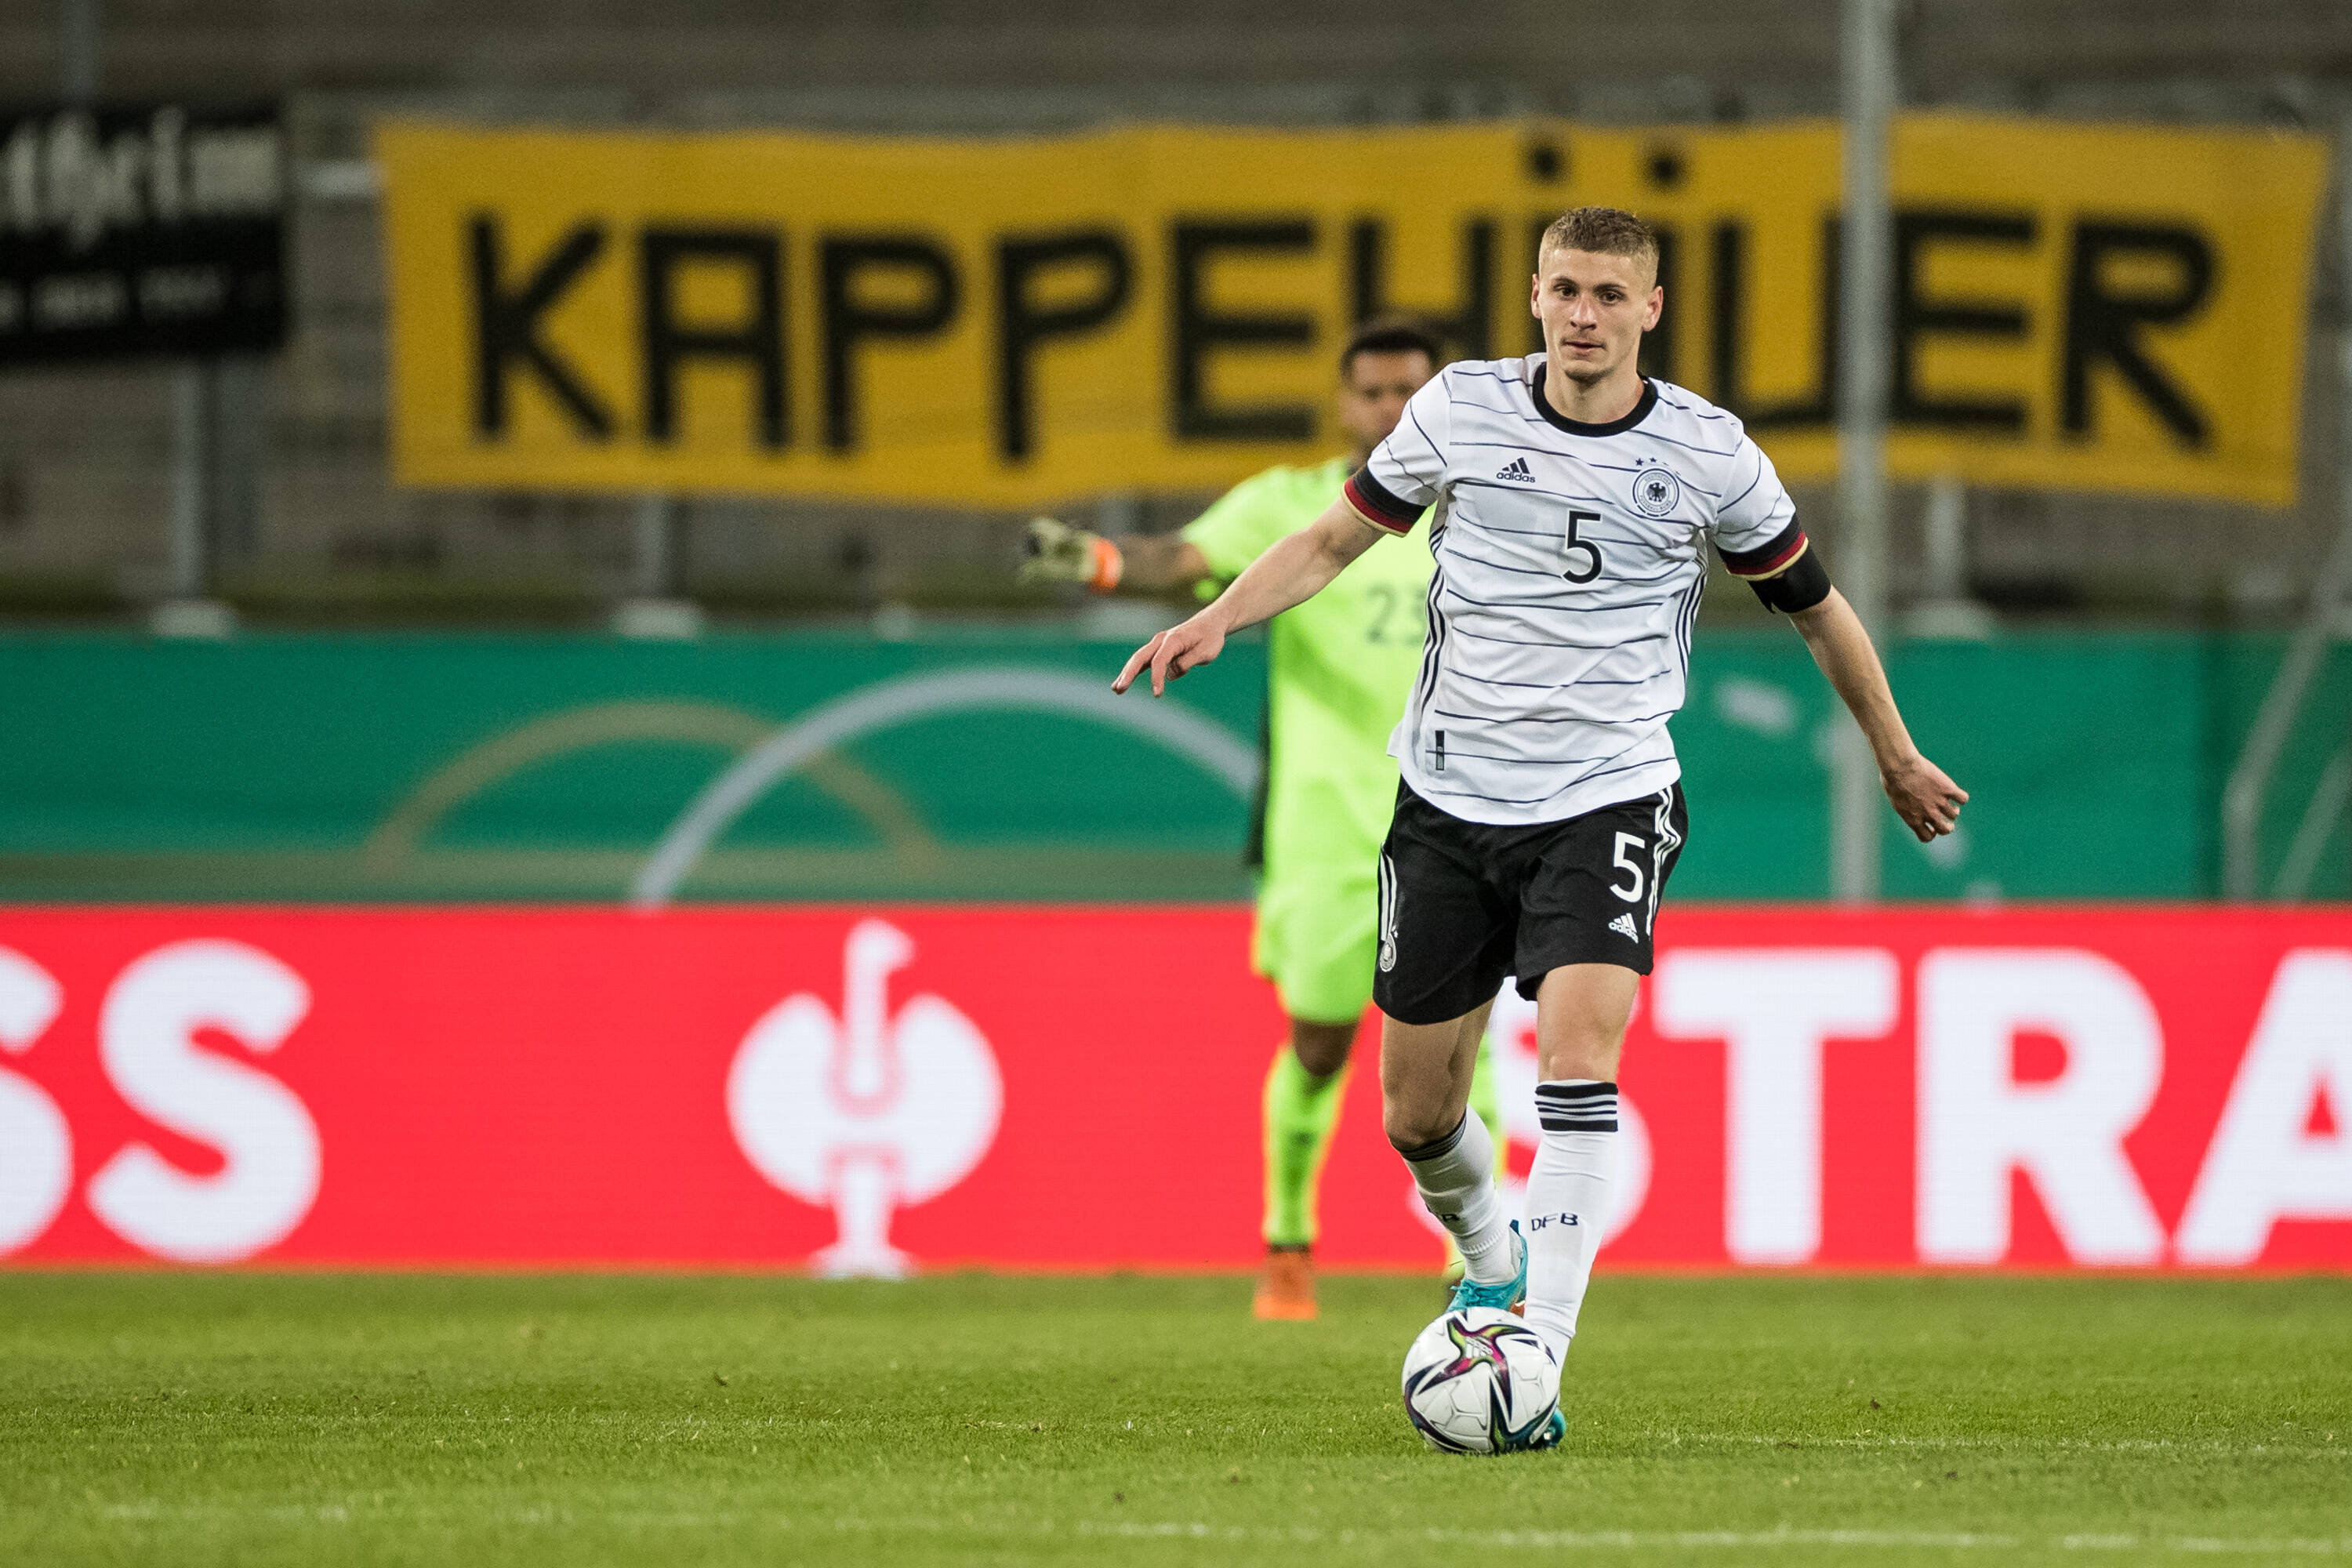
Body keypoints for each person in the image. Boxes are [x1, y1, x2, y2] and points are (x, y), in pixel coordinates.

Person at [1114, 207, 1966, 1441]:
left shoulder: (1711, 455)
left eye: (1611, 296)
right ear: (1533, 295)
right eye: (1566, 290)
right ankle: (1490, 1254)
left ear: (1651, 311)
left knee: (1578, 1064)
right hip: (1449, 801)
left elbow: (1819, 611)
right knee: (1416, 1114)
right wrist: (1220, 619)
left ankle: (1536, 1357)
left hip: (1608, 794)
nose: (1584, 315)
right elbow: (1331, 538)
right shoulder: (1460, 410)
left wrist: (1894, 753)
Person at [1025, 318, 1503, 1322]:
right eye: (1370, 391)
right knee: (1325, 1044)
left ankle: (1478, 1261)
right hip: (1327, 826)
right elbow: (1187, 558)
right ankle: (1289, 1241)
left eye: (1405, 389)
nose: (1387, 407)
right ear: (1343, 403)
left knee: (1467, 1045)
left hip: (1462, 812)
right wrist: (1104, 561)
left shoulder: (1489, 499)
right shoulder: (1297, 506)